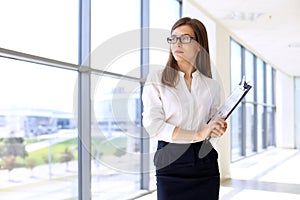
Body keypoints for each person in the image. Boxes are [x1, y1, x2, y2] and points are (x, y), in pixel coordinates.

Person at [142, 17, 227, 200]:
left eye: (185, 38)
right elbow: (154, 126)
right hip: (170, 160)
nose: (177, 43)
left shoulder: (212, 86)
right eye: (173, 38)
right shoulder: (157, 79)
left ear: (199, 45)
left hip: (205, 161)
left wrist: (217, 128)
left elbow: (212, 125)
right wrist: (197, 135)